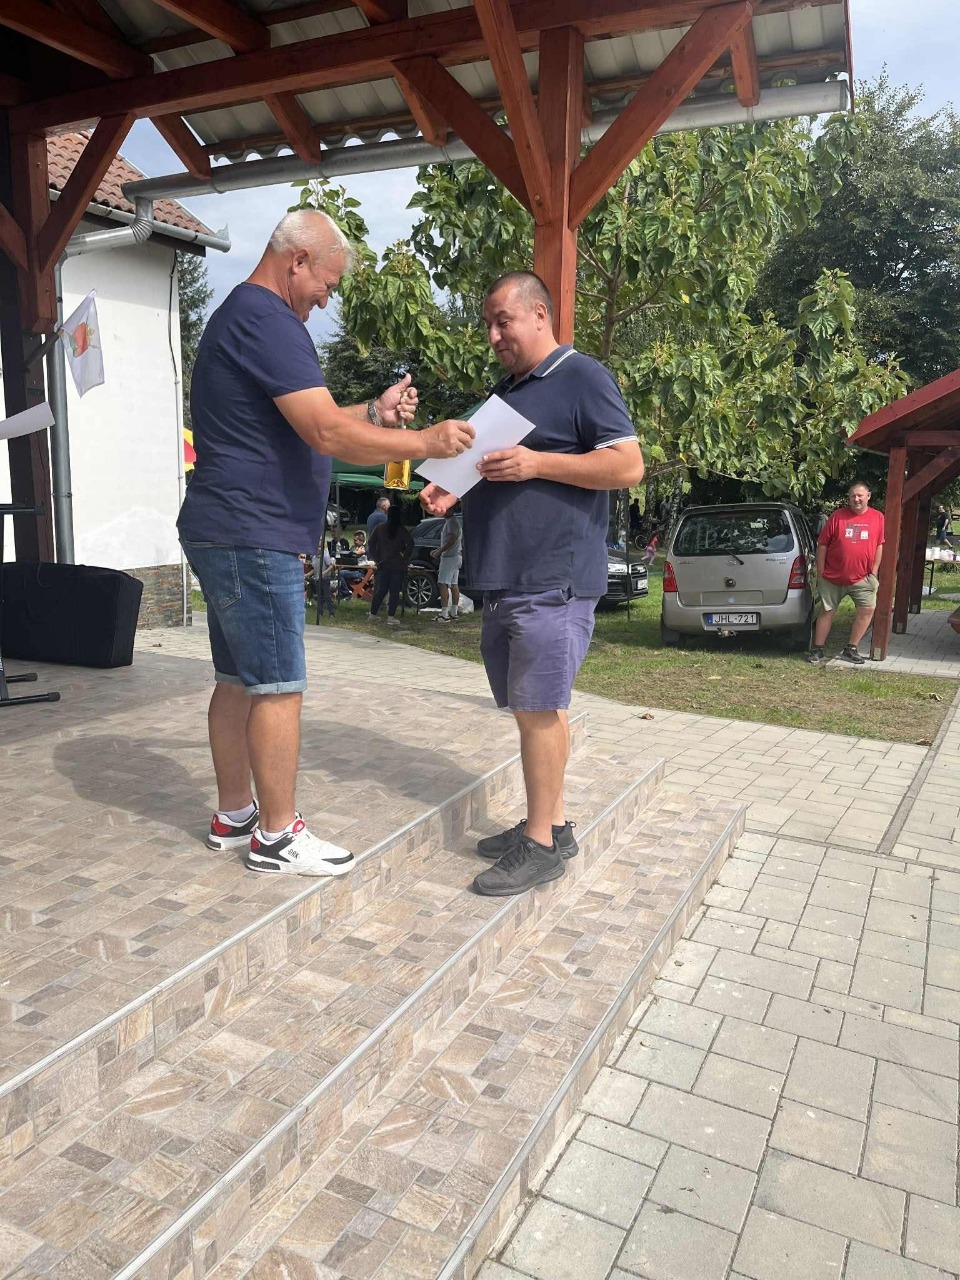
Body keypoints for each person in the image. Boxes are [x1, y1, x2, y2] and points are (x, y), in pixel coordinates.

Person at [178, 208, 473, 877]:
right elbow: (325, 434)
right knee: (278, 686)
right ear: (298, 261)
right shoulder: (268, 319)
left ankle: (235, 815)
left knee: (238, 681)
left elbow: (308, 421)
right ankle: (277, 837)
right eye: (326, 286)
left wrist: (374, 412)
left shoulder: (242, 315)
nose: (325, 300)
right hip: (254, 532)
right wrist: (422, 441)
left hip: (227, 526)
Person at [421, 271, 644, 897]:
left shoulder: (583, 377)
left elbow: (628, 465)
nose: (494, 335)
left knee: (540, 710)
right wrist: (451, 487)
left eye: (504, 321)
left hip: (554, 577)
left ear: (540, 315)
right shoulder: (506, 394)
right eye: (488, 325)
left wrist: (537, 462)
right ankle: (554, 823)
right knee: (535, 708)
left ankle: (541, 846)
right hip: (507, 577)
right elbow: (489, 466)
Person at [807, 480, 884, 666]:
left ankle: (851, 649)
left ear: (868, 496)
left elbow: (879, 544)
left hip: (863, 578)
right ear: (849, 498)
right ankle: (817, 649)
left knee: (867, 610)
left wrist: (874, 571)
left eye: (860, 496)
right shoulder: (837, 516)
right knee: (827, 611)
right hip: (832, 577)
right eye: (853, 496)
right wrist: (821, 571)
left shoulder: (878, 517)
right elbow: (822, 544)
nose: (856, 499)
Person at [367, 504, 414, 626]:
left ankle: (373, 614)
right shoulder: (401, 530)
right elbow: (410, 544)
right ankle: (390, 617)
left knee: (380, 590)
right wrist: (404, 558)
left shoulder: (380, 528)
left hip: (383, 563)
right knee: (394, 591)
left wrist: (376, 558)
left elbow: (371, 543)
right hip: (397, 564)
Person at [432, 505, 462, 621]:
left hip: (450, 558)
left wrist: (440, 551)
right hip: (456, 556)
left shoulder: (452, 522)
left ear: (450, 510)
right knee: (454, 584)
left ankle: (444, 614)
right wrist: (438, 549)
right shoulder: (452, 521)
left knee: (442, 583)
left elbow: (451, 540)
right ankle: (454, 612)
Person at [312, 542, 336, 617]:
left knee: (327, 596)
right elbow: (314, 569)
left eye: (320, 547)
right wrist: (306, 575)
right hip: (317, 579)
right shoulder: (314, 557)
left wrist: (326, 572)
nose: (318, 549)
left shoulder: (325, 556)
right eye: (317, 547)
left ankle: (331, 612)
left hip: (325, 579)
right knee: (319, 596)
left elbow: (331, 566)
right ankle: (320, 612)